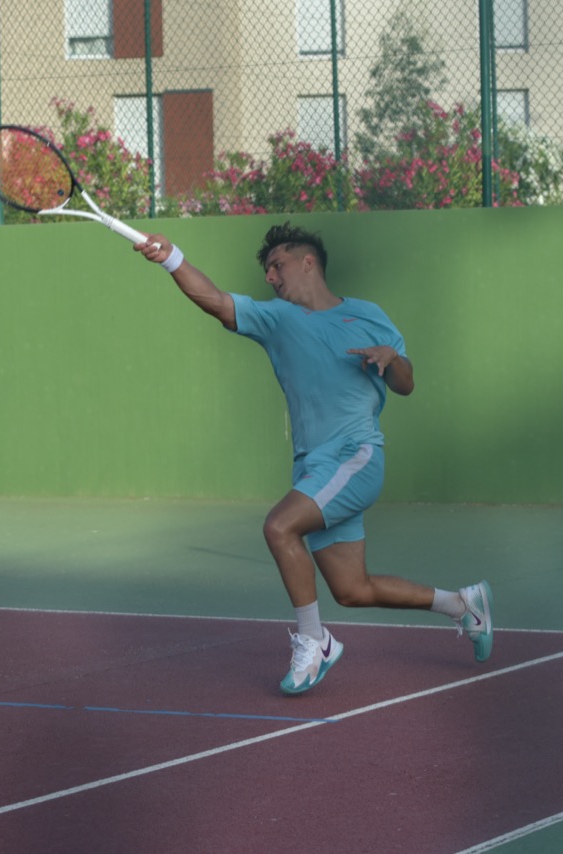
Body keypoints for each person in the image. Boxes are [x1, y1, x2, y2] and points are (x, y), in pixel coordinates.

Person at [134, 222, 494, 695]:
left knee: (279, 527)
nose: (270, 277)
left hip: (355, 455)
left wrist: (392, 358)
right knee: (352, 589)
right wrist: (172, 257)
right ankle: (463, 606)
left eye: (276, 265)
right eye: (266, 272)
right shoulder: (277, 319)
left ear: (308, 262)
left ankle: (314, 641)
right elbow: (216, 301)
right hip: (313, 466)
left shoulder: (367, 315)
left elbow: (406, 384)